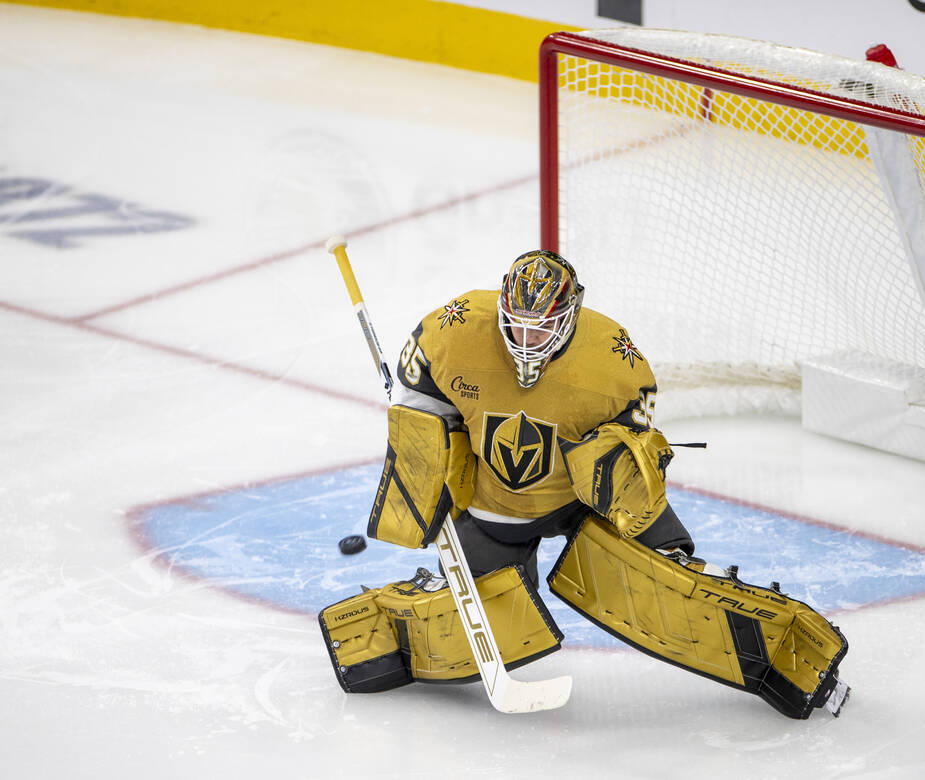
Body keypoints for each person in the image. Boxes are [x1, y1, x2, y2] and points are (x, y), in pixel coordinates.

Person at [318, 250, 849, 718]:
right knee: (472, 624)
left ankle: (781, 659)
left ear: (570, 315)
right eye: (517, 326)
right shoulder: (452, 330)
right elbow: (420, 403)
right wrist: (424, 449)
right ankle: (381, 639)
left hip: (583, 500)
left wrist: (630, 486)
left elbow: (638, 444)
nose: (527, 341)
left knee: (666, 586)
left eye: (541, 329)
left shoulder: (613, 355)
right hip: (497, 502)